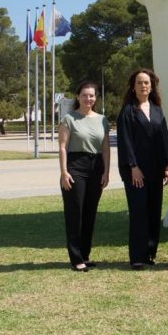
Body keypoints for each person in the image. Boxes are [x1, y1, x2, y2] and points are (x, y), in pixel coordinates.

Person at [116, 68, 168, 269]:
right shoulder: (127, 111)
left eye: (147, 82)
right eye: (139, 82)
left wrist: (167, 167)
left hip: (156, 170)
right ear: (133, 87)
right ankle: (138, 257)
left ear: (151, 86)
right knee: (139, 213)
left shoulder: (157, 109)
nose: (143, 86)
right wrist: (133, 166)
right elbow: (125, 142)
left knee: (153, 212)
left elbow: (163, 139)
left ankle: (150, 253)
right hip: (136, 172)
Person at [58, 80, 110, 272]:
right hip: (75, 167)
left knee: (89, 213)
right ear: (78, 96)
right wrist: (64, 172)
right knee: (75, 213)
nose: (88, 98)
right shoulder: (69, 119)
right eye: (84, 95)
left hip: (96, 167)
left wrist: (106, 171)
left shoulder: (102, 119)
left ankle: (85, 255)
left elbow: (105, 148)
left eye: (92, 95)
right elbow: (62, 147)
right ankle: (76, 258)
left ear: (95, 98)